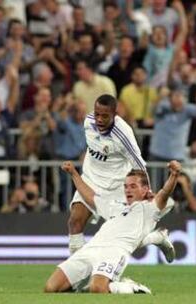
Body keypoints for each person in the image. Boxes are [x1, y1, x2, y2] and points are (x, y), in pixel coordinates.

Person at [45, 160, 181, 294]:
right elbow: (90, 197)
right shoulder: (115, 206)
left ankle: (133, 288)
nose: (128, 190)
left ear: (145, 189)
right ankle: (157, 238)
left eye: (133, 186)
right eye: (126, 186)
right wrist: (74, 174)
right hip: (90, 248)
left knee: (97, 289)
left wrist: (174, 175)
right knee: (51, 288)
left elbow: (165, 193)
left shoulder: (150, 208)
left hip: (114, 253)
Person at [67, 94, 173, 262]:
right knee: (75, 221)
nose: (99, 119)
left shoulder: (123, 135)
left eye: (105, 116)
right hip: (90, 181)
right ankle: (77, 275)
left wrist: (147, 191)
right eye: (97, 114)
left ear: (115, 114)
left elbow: (139, 165)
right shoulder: (88, 122)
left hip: (116, 187)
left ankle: (158, 237)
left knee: (123, 237)